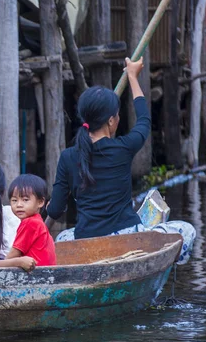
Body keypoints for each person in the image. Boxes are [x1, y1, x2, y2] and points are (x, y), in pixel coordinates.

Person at [47, 58, 195, 262]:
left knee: (63, 238)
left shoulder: (67, 157)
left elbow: (55, 209)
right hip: (125, 240)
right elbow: (144, 119)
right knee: (186, 230)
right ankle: (158, 271)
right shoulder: (124, 148)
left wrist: (38, 234)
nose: (118, 119)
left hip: (86, 242)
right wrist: (133, 77)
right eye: (116, 115)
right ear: (110, 121)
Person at [6, 174, 56, 266]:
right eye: (14, 200)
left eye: (25, 200)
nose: (19, 205)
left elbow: (13, 255)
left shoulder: (30, 223)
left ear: (40, 202)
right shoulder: (37, 221)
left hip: (36, 275)